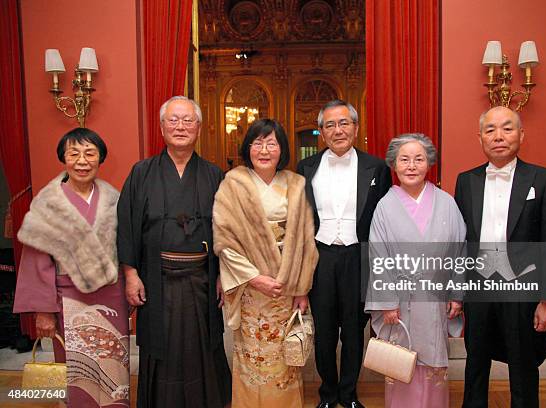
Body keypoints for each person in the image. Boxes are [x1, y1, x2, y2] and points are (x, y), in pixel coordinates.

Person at [117, 96, 231, 407]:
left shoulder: (214, 175)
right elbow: (126, 225)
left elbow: (226, 230)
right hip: (156, 278)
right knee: (161, 345)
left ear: (199, 127)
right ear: (162, 126)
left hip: (202, 279)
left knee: (201, 346)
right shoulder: (142, 172)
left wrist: (223, 274)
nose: (180, 126)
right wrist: (130, 274)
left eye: (187, 120)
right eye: (173, 120)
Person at [454, 106, 546, 408]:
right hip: (478, 288)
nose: (498, 136)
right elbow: (462, 241)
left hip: (523, 289)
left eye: (507, 128)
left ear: (521, 134)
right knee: (475, 361)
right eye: (490, 130)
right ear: (480, 138)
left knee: (523, 363)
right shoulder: (466, 181)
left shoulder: (544, 180)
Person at [13, 128, 129, 407]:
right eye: (73, 154)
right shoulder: (49, 203)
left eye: (90, 153)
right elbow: (37, 260)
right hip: (69, 300)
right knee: (78, 372)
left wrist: (130, 287)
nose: (82, 161)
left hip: (111, 298)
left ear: (100, 158)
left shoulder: (114, 199)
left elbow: (127, 248)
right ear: (63, 159)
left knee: (114, 367)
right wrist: (44, 310)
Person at [213, 118, 318, 408]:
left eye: (271, 143)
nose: (264, 149)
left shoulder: (296, 184)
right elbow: (225, 239)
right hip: (249, 288)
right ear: (248, 147)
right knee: (251, 355)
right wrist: (253, 277)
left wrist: (301, 288)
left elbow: (305, 240)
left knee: (285, 357)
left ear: (282, 149)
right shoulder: (233, 183)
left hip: (285, 285)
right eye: (257, 142)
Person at [297, 100, 392, 408]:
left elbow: (385, 216)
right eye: (330, 125)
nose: (337, 130)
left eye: (343, 123)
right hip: (320, 258)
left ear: (355, 127)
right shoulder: (306, 168)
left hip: (358, 258)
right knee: (323, 333)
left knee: (353, 331)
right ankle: (328, 393)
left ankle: (349, 395)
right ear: (322, 131)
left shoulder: (376, 167)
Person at [365, 134, 465, 408]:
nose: (411, 166)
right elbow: (378, 258)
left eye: (419, 159)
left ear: (429, 164)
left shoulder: (446, 203)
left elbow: (459, 251)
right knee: (401, 361)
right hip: (400, 301)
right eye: (404, 160)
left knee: (433, 360)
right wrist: (386, 302)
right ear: (394, 165)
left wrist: (456, 294)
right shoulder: (384, 207)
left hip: (435, 298)